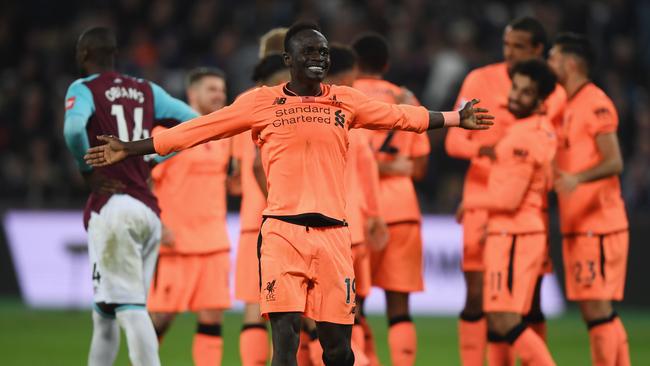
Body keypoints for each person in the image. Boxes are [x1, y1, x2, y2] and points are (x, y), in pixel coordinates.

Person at [84, 22, 493, 366]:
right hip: (282, 233)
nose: (318, 57)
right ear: (289, 61)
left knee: (338, 351)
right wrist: (130, 147)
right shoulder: (262, 102)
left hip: (335, 235)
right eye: (309, 51)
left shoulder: (346, 102)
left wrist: (458, 118)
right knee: (286, 341)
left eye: (324, 51)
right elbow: (197, 130)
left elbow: (402, 117)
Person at [62, 27, 197, 366]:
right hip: (147, 212)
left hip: (115, 209)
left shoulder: (85, 88)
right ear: (115, 55)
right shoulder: (146, 90)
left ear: (83, 56)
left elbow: (74, 129)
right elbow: (193, 123)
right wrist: (151, 157)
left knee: (131, 308)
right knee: (105, 313)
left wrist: (86, 169)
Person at [446, 17, 565, 365]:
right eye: (506, 45)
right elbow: (455, 139)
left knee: (526, 304)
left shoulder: (547, 91)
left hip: (519, 207)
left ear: (537, 50)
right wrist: (487, 151)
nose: (509, 53)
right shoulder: (478, 79)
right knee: (479, 297)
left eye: (518, 47)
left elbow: (549, 146)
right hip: (483, 199)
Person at [463, 59, 558, 366]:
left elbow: (508, 200)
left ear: (540, 101)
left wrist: (472, 204)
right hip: (516, 232)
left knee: (505, 319)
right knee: (506, 318)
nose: (516, 95)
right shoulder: (536, 130)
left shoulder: (522, 137)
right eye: (516, 87)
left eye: (526, 92)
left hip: (515, 233)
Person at [548, 33, 630, 366]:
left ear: (570, 63)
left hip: (598, 223)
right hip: (578, 222)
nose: (549, 63)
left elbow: (615, 161)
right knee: (595, 310)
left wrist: (577, 178)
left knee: (596, 309)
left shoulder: (595, 102)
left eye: (553, 57)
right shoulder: (564, 102)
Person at [351, 33, 429, 366]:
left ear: (354, 64)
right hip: (402, 209)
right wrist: (396, 166)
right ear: (386, 64)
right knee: (399, 309)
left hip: (359, 212)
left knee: (351, 304)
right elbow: (421, 168)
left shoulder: (346, 97)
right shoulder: (406, 97)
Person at [146, 67, 230, 366]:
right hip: (176, 243)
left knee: (212, 319)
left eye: (221, 89)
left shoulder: (225, 135)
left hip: (214, 242)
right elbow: (144, 180)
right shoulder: (169, 133)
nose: (219, 94)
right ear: (192, 94)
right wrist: (157, 222)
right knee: (159, 320)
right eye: (212, 89)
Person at [324, 43, 389, 366]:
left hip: (329, 229)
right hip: (353, 228)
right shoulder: (352, 119)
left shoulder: (314, 117)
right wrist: (375, 216)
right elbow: (369, 172)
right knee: (352, 311)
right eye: (350, 81)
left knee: (319, 317)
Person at [233, 51, 289, 366]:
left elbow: (232, 170)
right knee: (297, 311)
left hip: (249, 220)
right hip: (283, 215)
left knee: (253, 310)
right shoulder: (286, 103)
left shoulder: (240, 102)